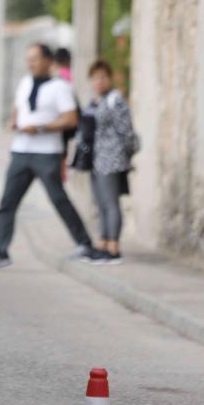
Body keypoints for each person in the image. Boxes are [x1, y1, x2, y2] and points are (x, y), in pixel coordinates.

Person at [0, 43, 98, 269]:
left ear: (48, 61)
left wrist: (41, 127)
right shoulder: (25, 83)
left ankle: (85, 244)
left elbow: (71, 119)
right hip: (21, 151)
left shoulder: (60, 87)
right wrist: (14, 120)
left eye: (34, 59)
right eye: (28, 59)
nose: (30, 63)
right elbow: (19, 107)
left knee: (58, 199)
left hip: (47, 153)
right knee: (7, 202)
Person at [85, 60, 138, 264]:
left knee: (110, 202)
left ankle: (113, 246)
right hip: (95, 160)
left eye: (102, 77)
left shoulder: (115, 100)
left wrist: (126, 156)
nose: (99, 81)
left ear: (109, 78)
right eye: (95, 78)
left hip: (112, 159)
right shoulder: (95, 102)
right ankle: (103, 242)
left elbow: (126, 131)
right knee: (100, 203)